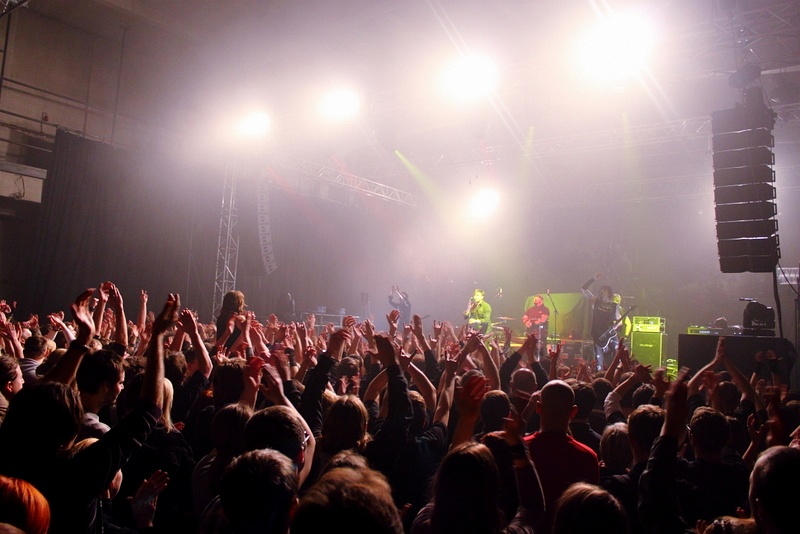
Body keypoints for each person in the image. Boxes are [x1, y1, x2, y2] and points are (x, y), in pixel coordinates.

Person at [581, 273, 621, 371]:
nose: (601, 293)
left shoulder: (614, 306)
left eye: (603, 291)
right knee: (599, 361)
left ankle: (618, 375)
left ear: (608, 293)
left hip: (610, 334)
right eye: (600, 291)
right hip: (598, 334)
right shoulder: (595, 301)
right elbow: (583, 289)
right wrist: (593, 278)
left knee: (618, 356)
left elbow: (619, 321)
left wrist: (614, 326)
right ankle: (599, 379)